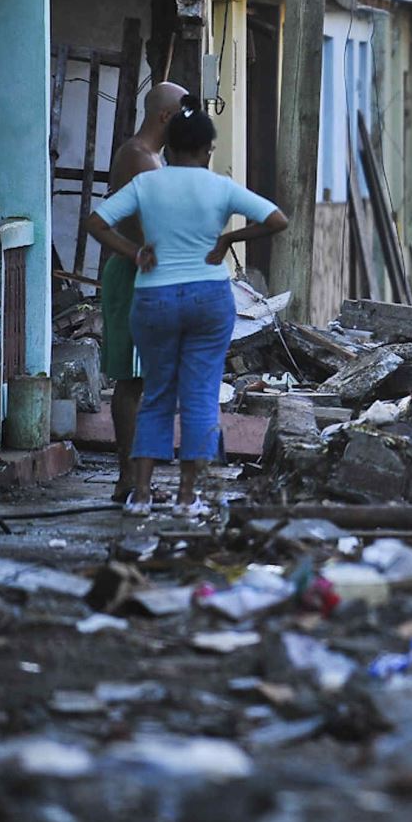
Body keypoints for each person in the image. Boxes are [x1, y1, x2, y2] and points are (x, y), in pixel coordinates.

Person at [86, 96, 288, 516]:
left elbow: (96, 223)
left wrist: (135, 251)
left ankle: (140, 495)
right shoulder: (220, 187)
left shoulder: (147, 181)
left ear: (171, 146)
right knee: (198, 396)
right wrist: (228, 240)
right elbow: (276, 220)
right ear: (207, 150)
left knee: (156, 393)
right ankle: (186, 497)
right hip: (208, 300)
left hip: (155, 297)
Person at [100, 80, 188, 503]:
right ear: (166, 117)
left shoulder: (151, 158)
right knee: (134, 383)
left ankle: (136, 481)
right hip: (138, 277)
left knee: (146, 381)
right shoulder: (138, 158)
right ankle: (131, 481)